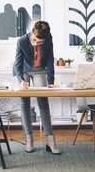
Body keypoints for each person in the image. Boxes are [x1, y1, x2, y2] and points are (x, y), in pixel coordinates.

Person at [13, 21, 61, 155]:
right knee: (25, 103)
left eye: (39, 42)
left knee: (43, 102)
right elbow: (17, 64)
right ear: (32, 32)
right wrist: (21, 81)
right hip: (24, 70)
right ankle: (29, 139)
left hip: (39, 69)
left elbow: (50, 60)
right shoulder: (21, 41)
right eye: (34, 40)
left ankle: (50, 140)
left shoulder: (48, 38)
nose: (35, 43)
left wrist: (50, 81)